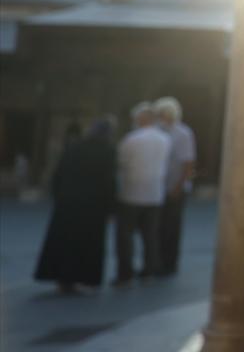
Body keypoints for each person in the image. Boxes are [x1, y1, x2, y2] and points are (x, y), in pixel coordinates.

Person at [33, 118, 117, 293]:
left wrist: (58, 196)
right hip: (93, 205)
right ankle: (82, 278)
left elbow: (58, 174)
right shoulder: (107, 151)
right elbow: (109, 181)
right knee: (85, 243)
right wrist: (111, 207)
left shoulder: (74, 147)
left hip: (67, 202)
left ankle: (62, 278)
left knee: (64, 241)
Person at [114, 100, 171, 285]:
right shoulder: (165, 139)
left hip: (131, 193)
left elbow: (120, 163)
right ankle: (149, 269)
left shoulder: (132, 139)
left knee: (125, 235)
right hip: (155, 194)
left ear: (141, 119)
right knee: (150, 235)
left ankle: (125, 273)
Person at [153, 96, 196, 275]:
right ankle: (156, 262)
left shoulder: (183, 133)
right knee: (157, 227)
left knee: (171, 227)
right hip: (159, 187)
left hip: (174, 187)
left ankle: (169, 264)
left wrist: (179, 186)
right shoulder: (157, 131)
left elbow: (188, 163)